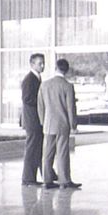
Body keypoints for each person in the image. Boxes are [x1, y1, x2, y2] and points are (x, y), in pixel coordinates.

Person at [40, 58, 81, 190]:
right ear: (67, 70)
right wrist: (73, 125)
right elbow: (71, 108)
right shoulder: (68, 86)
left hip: (48, 124)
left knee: (47, 153)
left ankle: (47, 180)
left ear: (55, 68)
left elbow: (40, 107)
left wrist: (43, 121)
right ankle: (64, 181)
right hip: (63, 124)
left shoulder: (44, 85)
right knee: (62, 152)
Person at [20, 53, 46, 185]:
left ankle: (44, 175)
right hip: (32, 120)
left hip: (36, 120)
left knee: (37, 148)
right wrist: (42, 102)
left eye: (43, 63)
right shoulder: (29, 79)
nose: (42, 65)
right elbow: (27, 99)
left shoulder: (36, 78)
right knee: (32, 148)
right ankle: (28, 179)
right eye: (39, 63)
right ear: (32, 64)